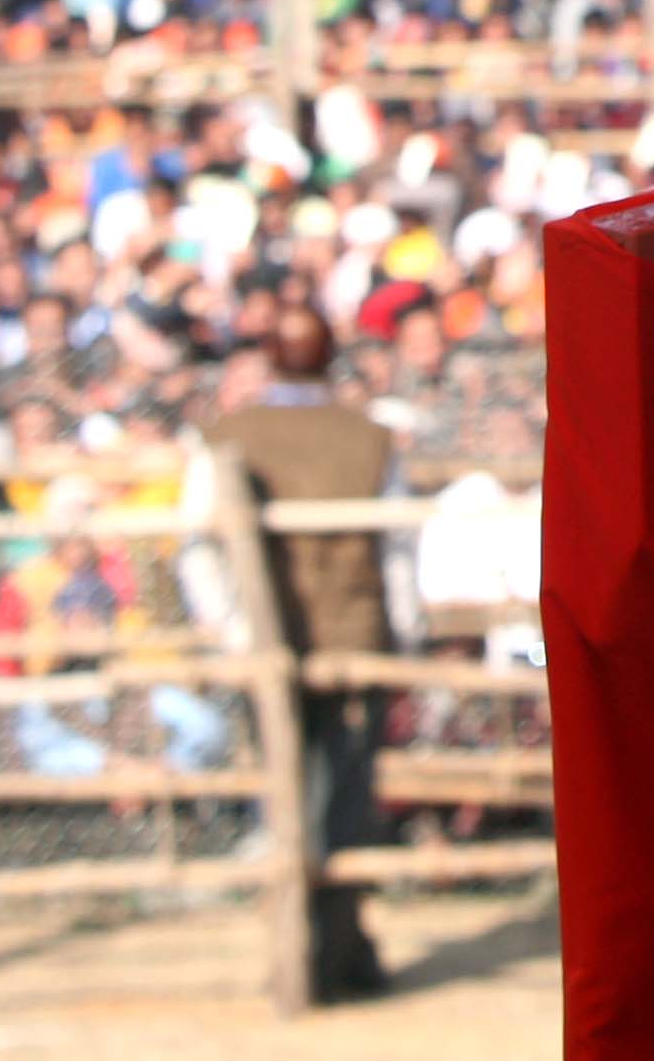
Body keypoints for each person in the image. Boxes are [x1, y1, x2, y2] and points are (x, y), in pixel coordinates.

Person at [205, 306, 403, 1002]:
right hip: (354, 636)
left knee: (285, 796)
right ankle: (338, 948)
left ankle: (312, 950)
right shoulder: (370, 438)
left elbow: (198, 545)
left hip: (267, 641)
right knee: (345, 798)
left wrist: (229, 628)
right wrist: (400, 632)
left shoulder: (229, 433)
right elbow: (398, 550)